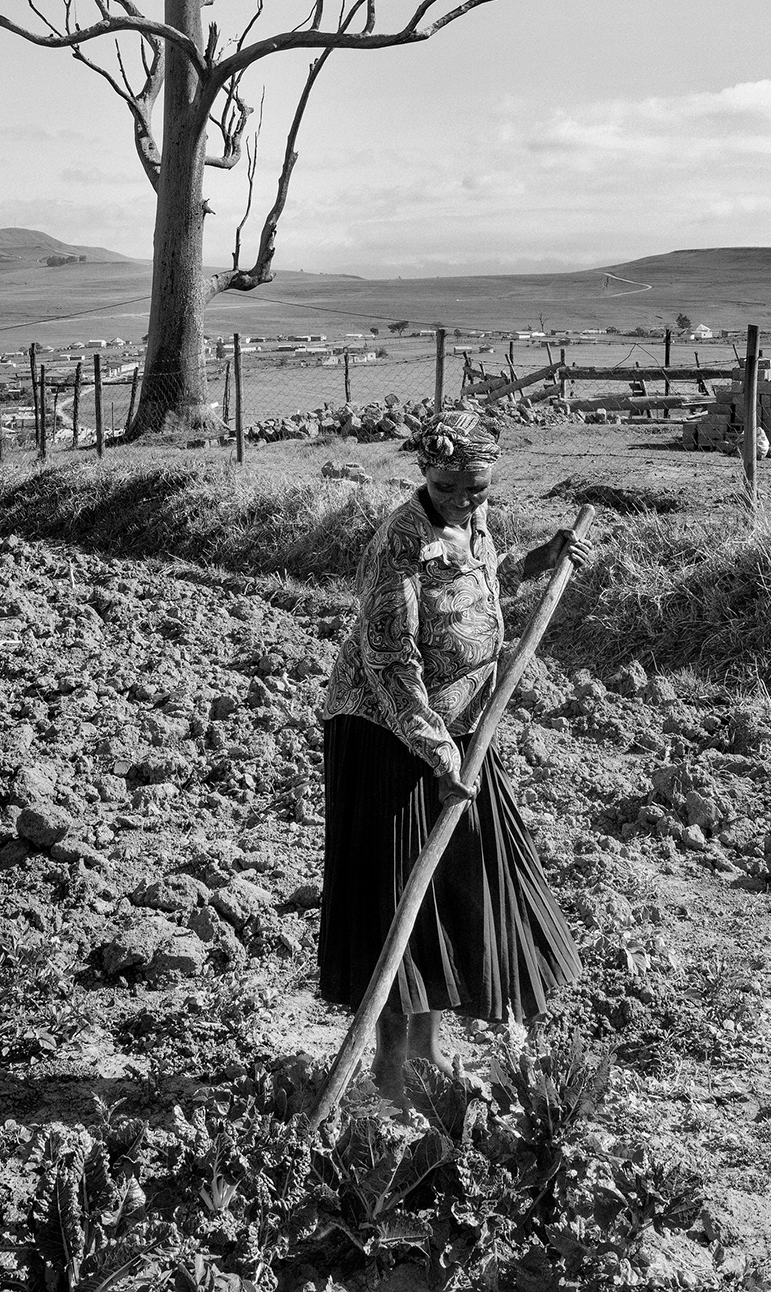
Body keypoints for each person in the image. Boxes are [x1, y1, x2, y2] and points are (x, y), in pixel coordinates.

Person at [317, 406, 593, 1104]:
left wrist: (543, 559)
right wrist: (438, 755)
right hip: (389, 735)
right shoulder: (397, 543)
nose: (472, 498)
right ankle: (388, 1067)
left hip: (460, 731)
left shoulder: (473, 518)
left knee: (446, 890)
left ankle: (429, 1050)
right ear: (428, 473)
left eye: (482, 486)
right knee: (396, 900)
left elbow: (486, 580)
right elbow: (389, 662)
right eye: (459, 488)